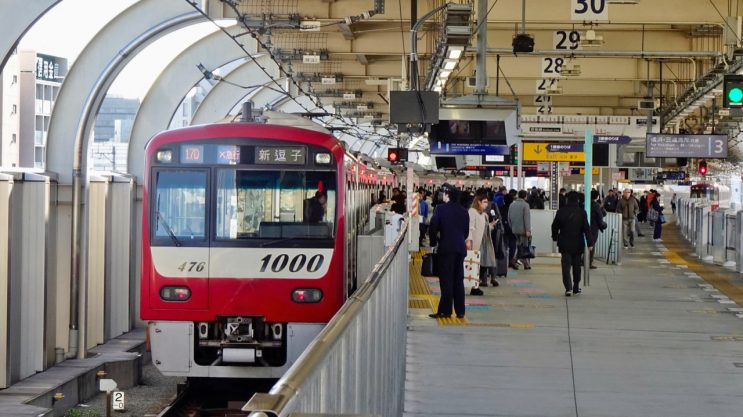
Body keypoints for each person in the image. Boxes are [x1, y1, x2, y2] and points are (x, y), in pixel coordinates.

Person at [428, 184, 469, 319]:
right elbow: (465, 232)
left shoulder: (440, 209)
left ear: (448, 195)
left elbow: (433, 227)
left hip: (446, 249)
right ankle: (460, 311)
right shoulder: (464, 211)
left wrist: (433, 242)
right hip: (460, 248)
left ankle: (445, 311)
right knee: (458, 279)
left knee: (446, 280)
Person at [551, 191, 593, 296]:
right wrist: (590, 243)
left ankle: (568, 288)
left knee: (566, 266)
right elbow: (586, 229)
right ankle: (576, 287)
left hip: (564, 243)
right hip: (578, 243)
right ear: (578, 200)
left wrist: (555, 237)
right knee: (576, 266)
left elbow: (554, 226)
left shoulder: (561, 211)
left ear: (567, 199)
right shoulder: (582, 212)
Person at [467, 190, 498, 293]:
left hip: (485, 243)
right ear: (478, 202)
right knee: (475, 265)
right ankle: (474, 287)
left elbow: (485, 228)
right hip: (476, 243)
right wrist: (469, 240)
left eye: (487, 202)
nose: (486, 204)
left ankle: (476, 284)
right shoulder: (472, 212)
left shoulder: (484, 215)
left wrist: (491, 225)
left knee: (484, 265)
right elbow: (469, 227)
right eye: (484, 202)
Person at [508, 190, 532, 270]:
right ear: (525, 196)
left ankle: (526, 264)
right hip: (523, 230)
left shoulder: (512, 204)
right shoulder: (526, 205)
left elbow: (509, 218)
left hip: (514, 229)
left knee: (519, 246)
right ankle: (514, 260)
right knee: (523, 247)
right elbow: (526, 218)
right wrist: (528, 230)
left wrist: (512, 227)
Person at [589, 190, 606, 269]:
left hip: (584, 226)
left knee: (585, 244)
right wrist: (603, 225)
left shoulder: (585, 203)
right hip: (593, 228)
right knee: (591, 245)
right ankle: (589, 262)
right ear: (597, 196)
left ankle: (583, 260)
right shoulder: (596, 205)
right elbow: (600, 216)